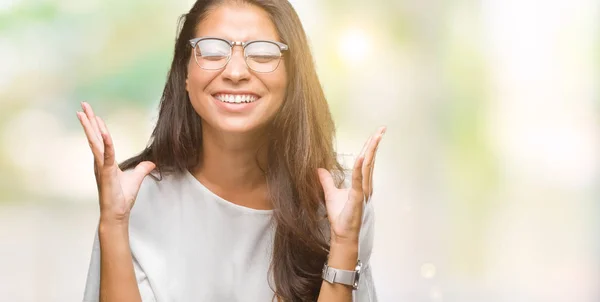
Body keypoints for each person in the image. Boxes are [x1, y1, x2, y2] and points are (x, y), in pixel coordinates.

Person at [79, 0, 386, 301]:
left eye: (264, 53)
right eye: (212, 51)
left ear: (293, 77)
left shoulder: (338, 203)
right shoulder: (133, 198)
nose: (236, 72)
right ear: (185, 74)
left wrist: (344, 242)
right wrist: (114, 222)